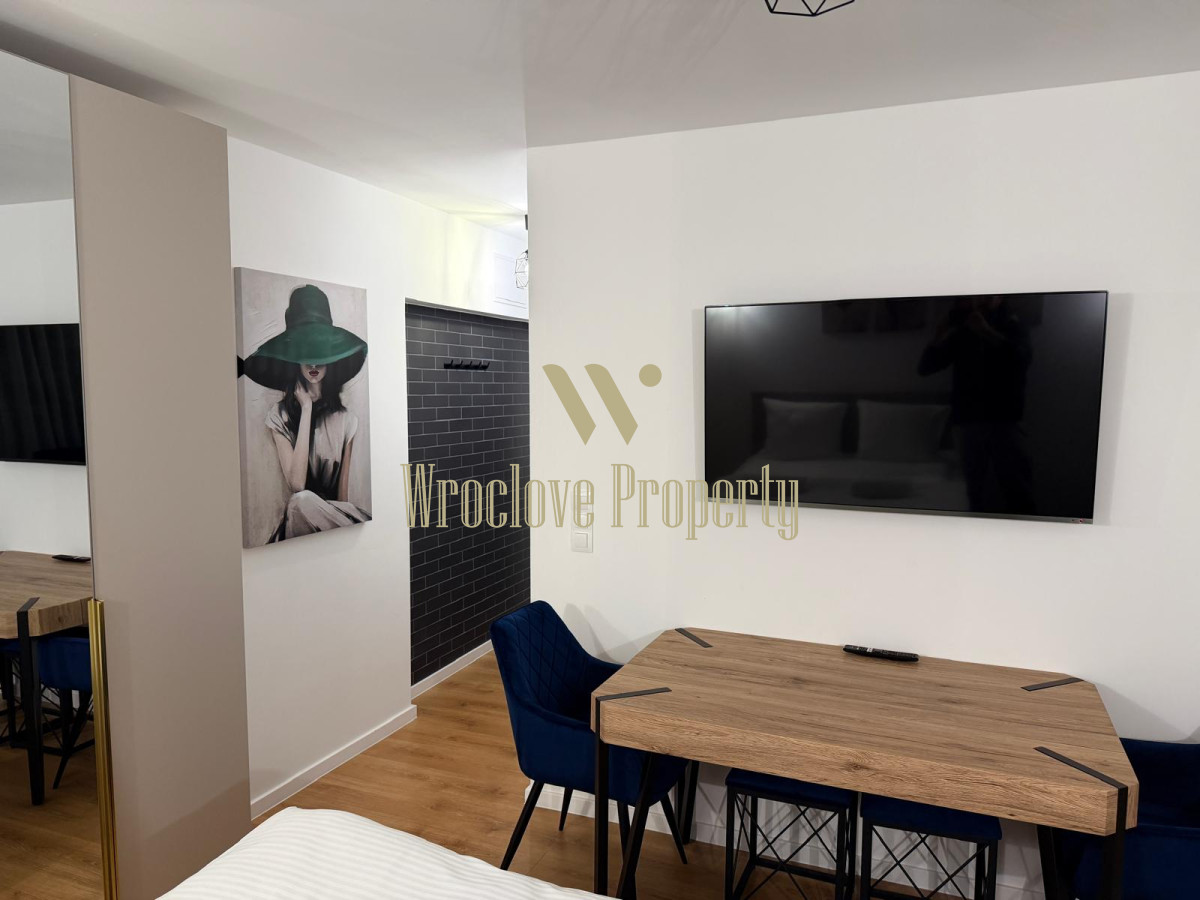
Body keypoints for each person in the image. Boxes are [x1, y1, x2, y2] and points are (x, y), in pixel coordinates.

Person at [243, 284, 371, 542]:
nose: (313, 363)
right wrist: (306, 408)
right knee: (300, 503)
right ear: (295, 358)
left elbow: (342, 502)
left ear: (331, 358)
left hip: (333, 523)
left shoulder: (347, 420)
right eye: (306, 353)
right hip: (298, 528)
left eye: (320, 353)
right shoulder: (278, 417)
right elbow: (297, 485)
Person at [918, 296, 1036, 515]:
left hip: (1004, 420)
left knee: (1017, 490)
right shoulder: (964, 331)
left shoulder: (1012, 323)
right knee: (972, 493)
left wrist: (986, 331)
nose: (980, 298)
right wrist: (939, 334)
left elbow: (1021, 359)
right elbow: (925, 368)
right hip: (969, 421)